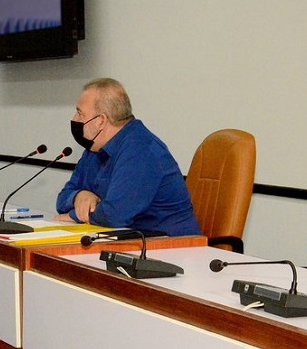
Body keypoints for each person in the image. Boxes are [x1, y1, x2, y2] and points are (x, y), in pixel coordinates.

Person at [55, 78, 201, 237]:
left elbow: (114, 215)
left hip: (172, 244)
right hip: (128, 240)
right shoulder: (94, 149)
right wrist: (79, 196)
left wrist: (74, 215)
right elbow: (62, 200)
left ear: (101, 121)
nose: (74, 119)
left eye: (80, 113)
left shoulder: (140, 150)